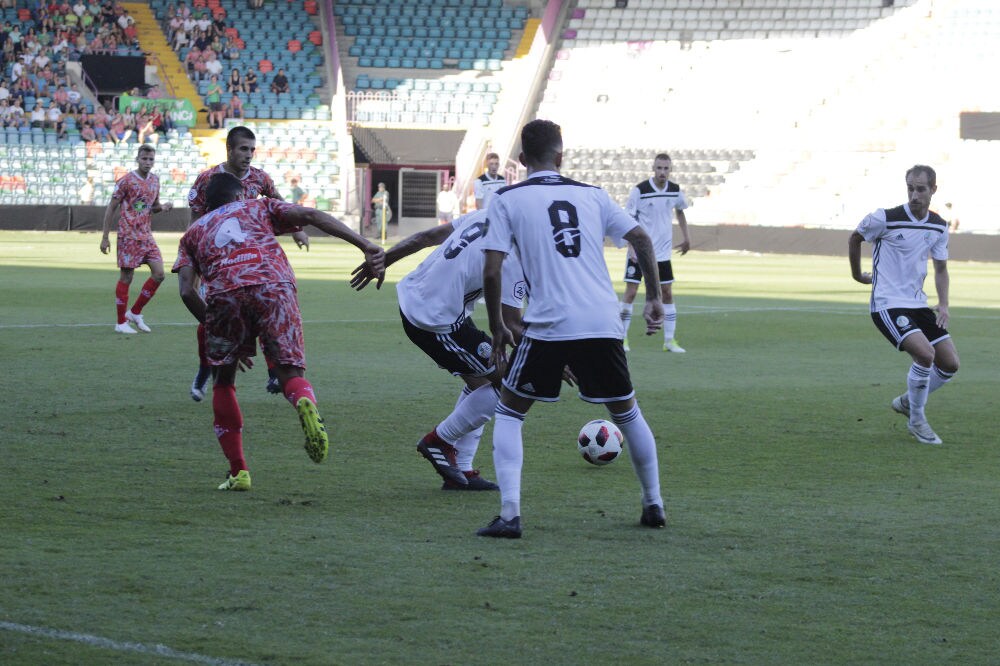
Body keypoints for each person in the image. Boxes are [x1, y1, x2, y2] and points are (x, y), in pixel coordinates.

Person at [478, 119, 666, 538]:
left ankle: (510, 515)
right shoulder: (594, 196)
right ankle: (654, 504)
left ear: (522, 160)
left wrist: (496, 329)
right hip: (602, 321)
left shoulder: (507, 198)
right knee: (628, 412)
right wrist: (653, 296)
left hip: (549, 324)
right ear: (561, 157)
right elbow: (642, 238)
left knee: (509, 412)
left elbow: (492, 271)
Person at [173, 171, 385, 491]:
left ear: (205, 204)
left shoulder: (192, 233)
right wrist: (364, 244)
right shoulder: (257, 207)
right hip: (274, 285)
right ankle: (302, 399)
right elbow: (311, 215)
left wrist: (221, 330)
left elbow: (187, 291)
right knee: (289, 371)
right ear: (239, 195)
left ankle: (239, 472)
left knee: (224, 382)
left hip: (225, 295)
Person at [350, 209, 529, 491]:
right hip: (435, 321)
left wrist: (385, 260)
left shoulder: (484, 215)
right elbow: (514, 326)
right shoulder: (515, 255)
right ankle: (440, 441)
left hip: (415, 296)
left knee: (482, 379)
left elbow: (426, 236)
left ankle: (461, 471)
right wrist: (553, 356)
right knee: (510, 382)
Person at [187, 125, 310, 401]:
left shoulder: (259, 178)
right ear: (229, 149)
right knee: (209, 318)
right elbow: (195, 221)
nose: (249, 155)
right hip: (218, 262)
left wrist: (297, 229)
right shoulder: (207, 180)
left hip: (253, 259)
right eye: (243, 149)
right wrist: (191, 259)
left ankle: (274, 372)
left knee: (266, 310)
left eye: (252, 149)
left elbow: (278, 202)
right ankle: (204, 370)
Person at [848, 164, 959, 446]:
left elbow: (941, 269)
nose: (914, 194)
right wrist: (856, 274)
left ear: (933, 189)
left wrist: (943, 304)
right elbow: (855, 237)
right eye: (910, 188)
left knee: (949, 363)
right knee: (925, 355)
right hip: (887, 304)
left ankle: (909, 401)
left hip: (917, 304)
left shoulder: (938, 226)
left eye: (921, 189)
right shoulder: (885, 218)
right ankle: (917, 419)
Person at [619, 153, 691, 353]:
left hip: (662, 254)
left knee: (667, 293)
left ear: (671, 170)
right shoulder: (640, 190)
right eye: (659, 168)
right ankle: (621, 338)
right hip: (640, 251)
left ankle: (669, 341)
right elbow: (629, 219)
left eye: (666, 168)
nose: (662, 172)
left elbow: (680, 211)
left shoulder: (675, 190)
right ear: (653, 168)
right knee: (631, 292)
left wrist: (687, 238)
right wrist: (631, 247)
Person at [99, 144, 174, 334]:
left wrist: (163, 207)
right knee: (127, 277)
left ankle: (135, 312)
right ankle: (120, 322)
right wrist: (105, 237)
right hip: (128, 235)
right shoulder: (126, 181)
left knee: (159, 274)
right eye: (144, 158)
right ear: (137, 159)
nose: (147, 162)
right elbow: (111, 207)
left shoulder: (155, 181)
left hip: (146, 235)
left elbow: (152, 207)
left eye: (151, 159)